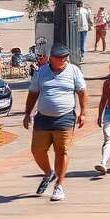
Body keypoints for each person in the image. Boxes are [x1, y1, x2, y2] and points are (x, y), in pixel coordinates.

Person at [22, 45, 87, 202]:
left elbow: (82, 91)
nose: (64, 60)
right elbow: (33, 93)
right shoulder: (42, 72)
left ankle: (59, 186)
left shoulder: (73, 71)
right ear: (52, 58)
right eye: (60, 58)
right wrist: (27, 113)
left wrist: (83, 112)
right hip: (43, 118)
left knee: (62, 151)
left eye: (65, 57)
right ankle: (48, 172)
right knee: (37, 150)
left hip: (65, 117)